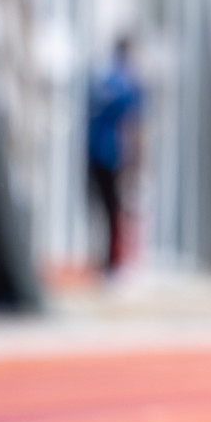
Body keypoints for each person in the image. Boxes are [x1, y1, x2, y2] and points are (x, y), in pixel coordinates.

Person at [86, 38, 143, 275]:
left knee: (101, 207)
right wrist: (136, 158)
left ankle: (104, 257)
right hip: (112, 154)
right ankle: (114, 261)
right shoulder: (128, 84)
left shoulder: (102, 80)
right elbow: (131, 125)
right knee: (114, 208)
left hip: (94, 150)